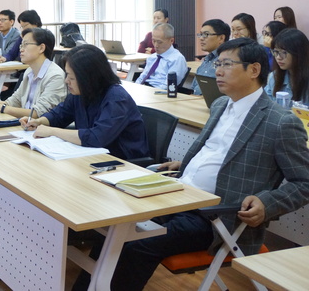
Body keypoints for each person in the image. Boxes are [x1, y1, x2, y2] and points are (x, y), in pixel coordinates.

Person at [73, 38, 309, 291]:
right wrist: (186, 164)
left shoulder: (280, 122)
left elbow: (304, 182)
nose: (218, 71)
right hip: (179, 195)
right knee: (113, 228)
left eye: (227, 64)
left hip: (216, 217)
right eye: (218, 64)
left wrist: (267, 203)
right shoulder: (220, 105)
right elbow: (216, 154)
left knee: (136, 245)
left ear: (254, 70)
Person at [0, 42, 143, 273]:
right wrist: (39, 122)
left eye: (71, 77)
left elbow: (97, 137)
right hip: (87, 164)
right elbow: (59, 114)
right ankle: (2, 252)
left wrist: (51, 131)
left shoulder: (116, 97)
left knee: (38, 195)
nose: (67, 81)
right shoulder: (81, 93)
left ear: (89, 77)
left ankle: (14, 254)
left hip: (118, 172)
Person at [0, 28, 66, 119]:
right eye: (21, 45)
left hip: (41, 130)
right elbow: (12, 102)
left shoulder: (55, 76)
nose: (21, 49)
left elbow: (38, 113)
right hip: (25, 124)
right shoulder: (29, 71)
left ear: (41, 48)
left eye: (26, 44)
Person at [136, 23, 187, 89]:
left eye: (159, 42)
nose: (156, 45)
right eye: (153, 41)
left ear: (171, 41)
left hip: (158, 91)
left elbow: (168, 86)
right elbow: (142, 77)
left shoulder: (177, 59)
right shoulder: (152, 57)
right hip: (145, 88)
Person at [264, 28, 309, 105]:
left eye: (283, 52)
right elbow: (266, 104)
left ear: (299, 53)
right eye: (276, 52)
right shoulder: (274, 77)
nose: (278, 57)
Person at [191, 19, 229, 95]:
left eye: (206, 34)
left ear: (221, 38)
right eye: (201, 34)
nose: (201, 38)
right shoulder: (206, 60)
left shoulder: (226, 61)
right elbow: (193, 88)